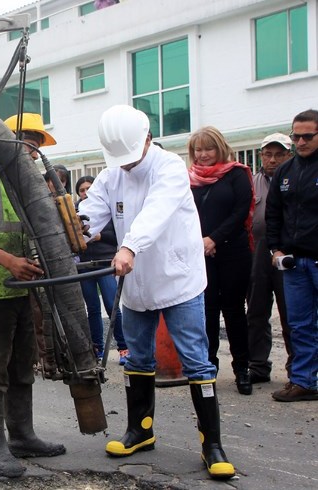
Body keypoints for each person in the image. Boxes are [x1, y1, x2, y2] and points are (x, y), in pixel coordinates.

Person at [79, 105, 236, 479]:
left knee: (196, 360)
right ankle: (140, 431)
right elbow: (90, 215)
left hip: (177, 279)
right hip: (135, 282)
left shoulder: (170, 168)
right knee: (137, 359)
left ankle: (212, 445)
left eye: (131, 156)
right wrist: (73, 231)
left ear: (147, 139)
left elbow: (156, 212)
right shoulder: (111, 175)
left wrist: (128, 246)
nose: (127, 164)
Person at [0, 112, 66, 478]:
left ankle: (22, 436)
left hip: (20, 291)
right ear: (6, 144)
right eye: (29, 146)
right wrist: (10, 262)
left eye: (36, 148)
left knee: (21, 366)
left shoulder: (24, 188)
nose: (34, 154)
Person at [187, 127, 255, 395]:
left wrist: (214, 239)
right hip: (201, 252)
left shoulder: (236, 174)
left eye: (209, 149)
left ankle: (242, 368)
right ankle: (208, 367)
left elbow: (240, 212)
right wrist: (201, 242)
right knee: (207, 311)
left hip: (232, 250)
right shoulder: (189, 178)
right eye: (198, 150)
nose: (203, 155)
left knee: (234, 310)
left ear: (220, 148)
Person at [265, 109, 318, 402]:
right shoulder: (286, 171)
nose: (300, 142)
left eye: (307, 136)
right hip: (294, 262)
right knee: (299, 324)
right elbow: (273, 213)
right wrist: (276, 248)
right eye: (296, 137)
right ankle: (304, 381)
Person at [247, 133, 293, 384]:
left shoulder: (295, 179)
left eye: (279, 154)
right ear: (261, 155)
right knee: (256, 310)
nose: (273, 160)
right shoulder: (251, 182)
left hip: (288, 252)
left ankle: (297, 368)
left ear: (288, 155)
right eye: (268, 154)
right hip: (257, 251)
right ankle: (258, 366)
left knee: (291, 313)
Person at [74, 175, 128, 365]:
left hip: (105, 263)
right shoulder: (76, 213)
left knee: (112, 305)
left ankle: (123, 347)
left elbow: (117, 235)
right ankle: (97, 348)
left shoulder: (108, 207)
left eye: (89, 188)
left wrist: (99, 237)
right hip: (85, 265)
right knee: (92, 308)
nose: (85, 192)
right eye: (82, 190)